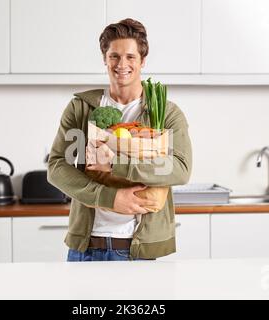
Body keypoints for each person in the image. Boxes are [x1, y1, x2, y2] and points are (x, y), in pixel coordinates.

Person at [48, 18, 192, 261]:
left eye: (130, 57)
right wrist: (110, 198)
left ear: (142, 61)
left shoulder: (166, 113)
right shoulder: (81, 108)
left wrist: (116, 165)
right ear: (105, 58)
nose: (121, 64)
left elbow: (180, 169)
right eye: (114, 56)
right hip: (86, 248)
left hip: (137, 250)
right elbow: (56, 167)